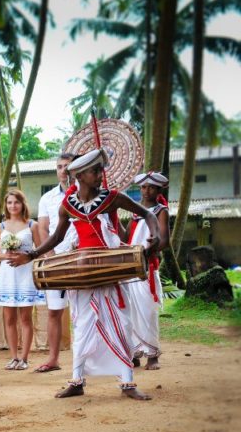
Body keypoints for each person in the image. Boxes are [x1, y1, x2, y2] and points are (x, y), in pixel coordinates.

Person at [10, 148, 161, 401]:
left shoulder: (112, 197)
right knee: (82, 327)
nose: (100, 174)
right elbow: (57, 237)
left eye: (101, 169)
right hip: (83, 272)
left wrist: (152, 235)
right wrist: (33, 255)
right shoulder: (68, 205)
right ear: (80, 175)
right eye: (95, 171)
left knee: (120, 325)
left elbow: (147, 214)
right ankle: (77, 381)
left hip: (109, 269)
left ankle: (127, 383)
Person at [0, 189, 45, 370]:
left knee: (26, 318)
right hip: (7, 275)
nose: (13, 206)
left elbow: (40, 251)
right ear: (6, 205)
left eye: (16, 202)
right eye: (10, 202)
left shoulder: (32, 225)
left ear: (23, 204)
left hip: (25, 274)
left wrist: (25, 256)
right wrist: (6, 256)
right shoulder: (1, 227)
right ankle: (13, 357)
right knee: (9, 318)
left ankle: (25, 358)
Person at [33, 152, 77, 372]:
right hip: (56, 259)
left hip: (81, 259)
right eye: (59, 166)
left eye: (67, 166)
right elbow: (43, 228)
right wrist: (48, 254)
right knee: (54, 311)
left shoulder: (86, 195)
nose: (63, 170)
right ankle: (53, 359)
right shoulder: (48, 198)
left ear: (75, 168)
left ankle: (86, 359)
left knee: (84, 312)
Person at [123, 171, 171, 369]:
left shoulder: (161, 210)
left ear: (158, 190)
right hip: (131, 266)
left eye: (151, 187)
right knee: (130, 312)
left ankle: (152, 355)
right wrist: (111, 220)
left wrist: (151, 247)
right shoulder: (135, 211)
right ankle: (133, 353)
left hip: (148, 266)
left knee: (147, 311)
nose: (146, 191)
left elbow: (165, 240)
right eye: (143, 187)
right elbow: (126, 237)